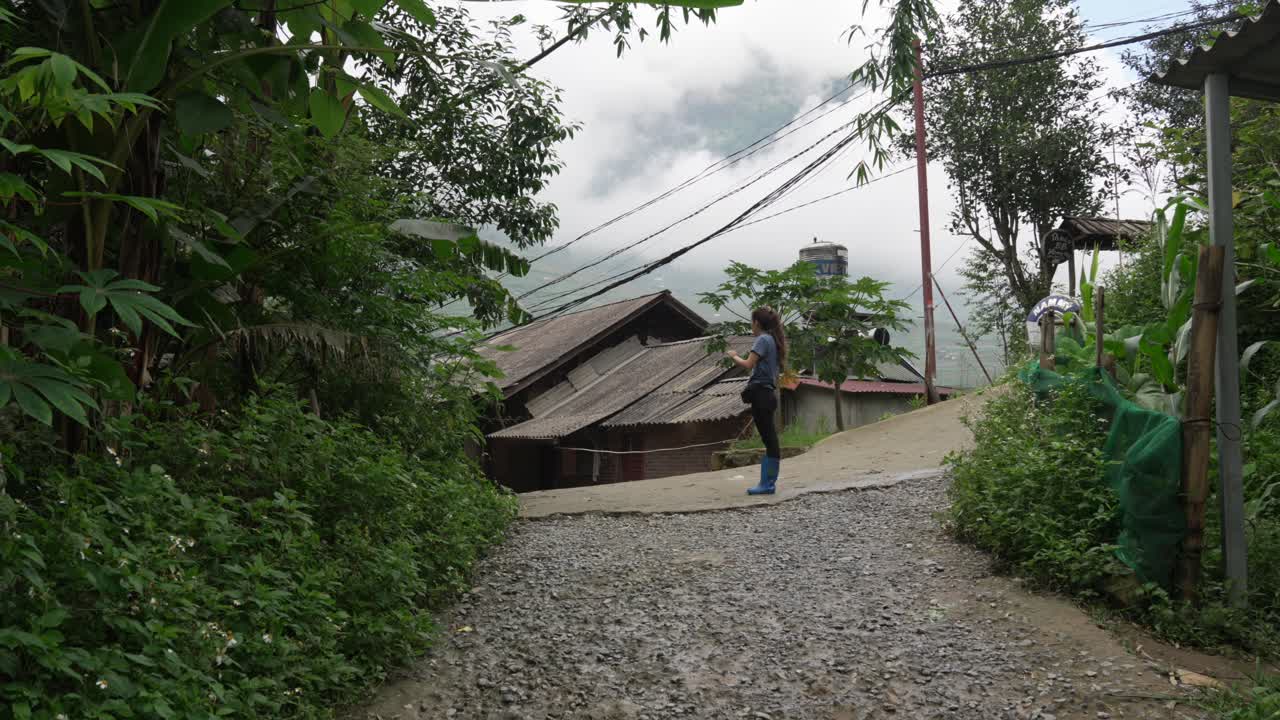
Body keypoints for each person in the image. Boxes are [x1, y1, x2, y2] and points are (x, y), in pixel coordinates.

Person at [727, 306, 786, 496]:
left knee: (769, 439)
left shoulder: (762, 339)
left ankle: (767, 484)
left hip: (761, 394)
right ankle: (767, 482)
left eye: (751, 322)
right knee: (770, 438)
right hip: (768, 394)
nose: (751, 325)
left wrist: (734, 356)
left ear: (757, 323)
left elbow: (748, 364)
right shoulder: (773, 340)